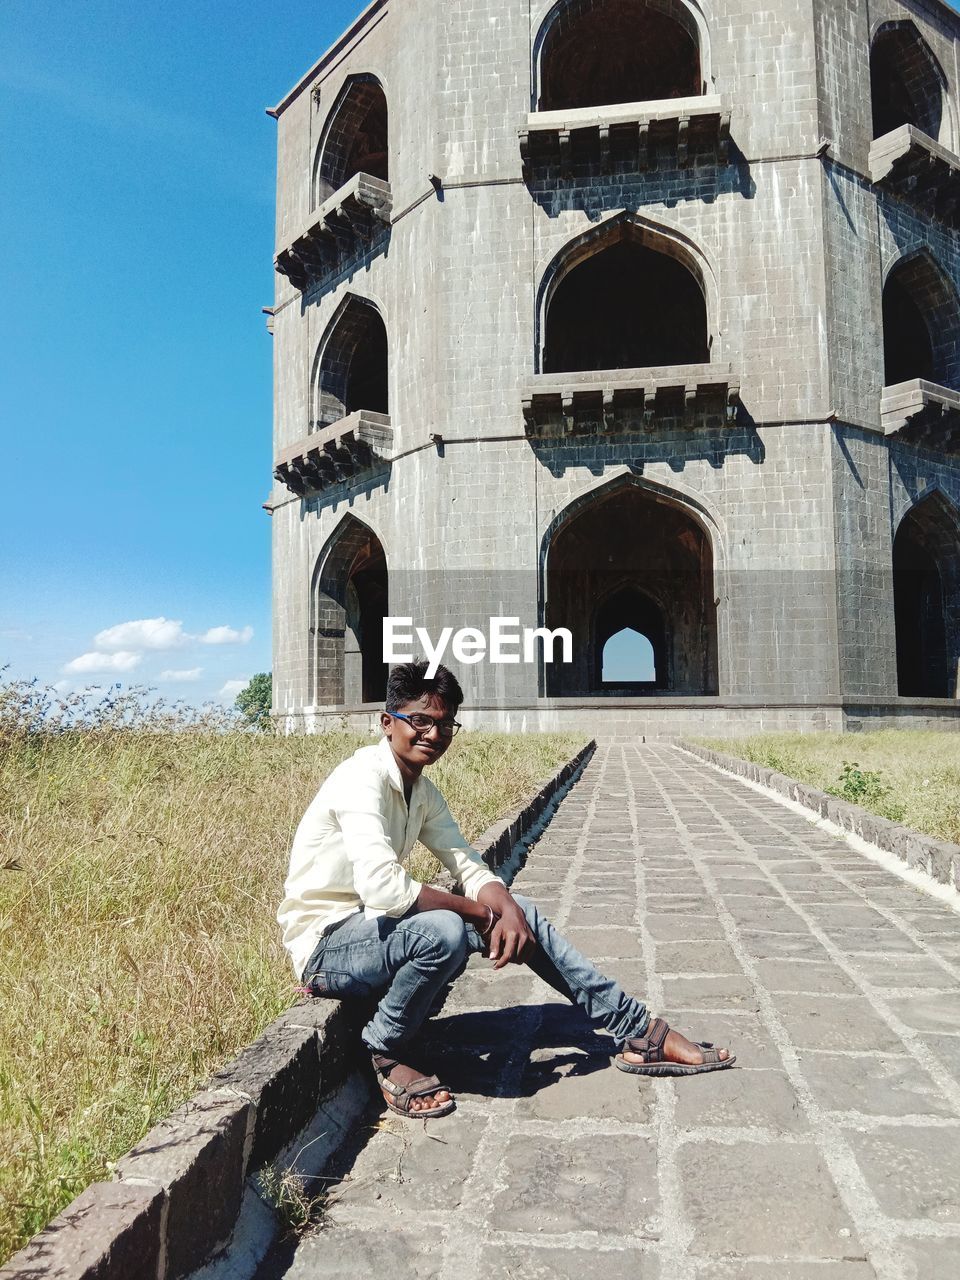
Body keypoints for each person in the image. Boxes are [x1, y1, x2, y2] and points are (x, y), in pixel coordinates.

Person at [278, 660, 734, 1118]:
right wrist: (480, 914)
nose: (433, 735)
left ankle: (636, 1031)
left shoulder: (422, 791)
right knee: (443, 931)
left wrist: (506, 908)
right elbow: (384, 888)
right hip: (326, 945)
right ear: (387, 722)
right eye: (419, 720)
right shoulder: (363, 779)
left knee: (523, 913)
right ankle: (386, 1047)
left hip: (371, 934)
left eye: (444, 724)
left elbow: (467, 864)